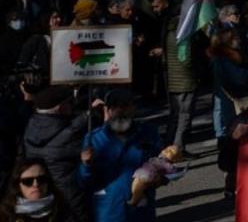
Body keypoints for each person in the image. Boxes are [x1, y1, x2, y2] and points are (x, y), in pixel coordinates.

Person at [79, 90, 164, 222]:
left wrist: (160, 178)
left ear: (133, 108)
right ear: (107, 111)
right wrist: (86, 165)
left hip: (141, 210)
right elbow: (83, 181)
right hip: (109, 210)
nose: (120, 111)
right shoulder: (94, 138)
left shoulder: (148, 132)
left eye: (125, 106)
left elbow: (163, 165)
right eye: (114, 107)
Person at [22, 86, 93, 222]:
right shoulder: (68, 135)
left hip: (42, 193)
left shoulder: (32, 125)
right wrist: (89, 115)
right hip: (68, 197)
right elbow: (71, 132)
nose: (72, 107)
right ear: (61, 108)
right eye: (70, 103)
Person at [2, 159, 72, 222]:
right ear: (18, 185)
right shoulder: (6, 214)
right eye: (28, 181)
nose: (36, 184)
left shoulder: (62, 208)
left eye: (41, 179)